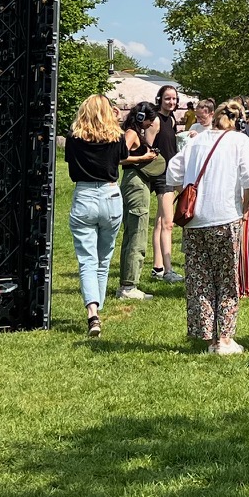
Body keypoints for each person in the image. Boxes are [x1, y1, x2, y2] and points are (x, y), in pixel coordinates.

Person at [165, 98, 249, 354]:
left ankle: (207, 337)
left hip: (194, 220)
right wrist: (245, 207)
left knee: (199, 280)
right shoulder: (239, 141)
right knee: (227, 279)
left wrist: (187, 189)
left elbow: (173, 171)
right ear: (239, 121)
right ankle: (225, 339)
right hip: (226, 217)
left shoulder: (195, 141)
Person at [63, 94, 127, 335]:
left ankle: (93, 313)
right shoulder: (117, 135)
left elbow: (70, 165)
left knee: (87, 259)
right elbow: (122, 157)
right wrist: (117, 122)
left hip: (85, 195)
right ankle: (97, 312)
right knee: (104, 258)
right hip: (111, 195)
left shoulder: (74, 138)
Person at [115, 100, 164, 302]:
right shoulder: (131, 133)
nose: (151, 123)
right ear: (142, 117)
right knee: (137, 233)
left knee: (134, 232)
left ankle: (127, 284)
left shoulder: (135, 132)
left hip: (137, 181)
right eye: (150, 120)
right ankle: (129, 287)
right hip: (135, 183)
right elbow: (118, 157)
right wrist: (142, 159)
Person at [149, 84, 184, 285]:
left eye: (174, 99)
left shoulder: (171, 119)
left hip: (171, 173)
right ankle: (169, 270)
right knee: (168, 223)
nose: (171, 102)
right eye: (167, 98)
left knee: (160, 221)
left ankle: (158, 267)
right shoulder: (155, 119)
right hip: (161, 175)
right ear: (160, 99)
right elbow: (148, 147)